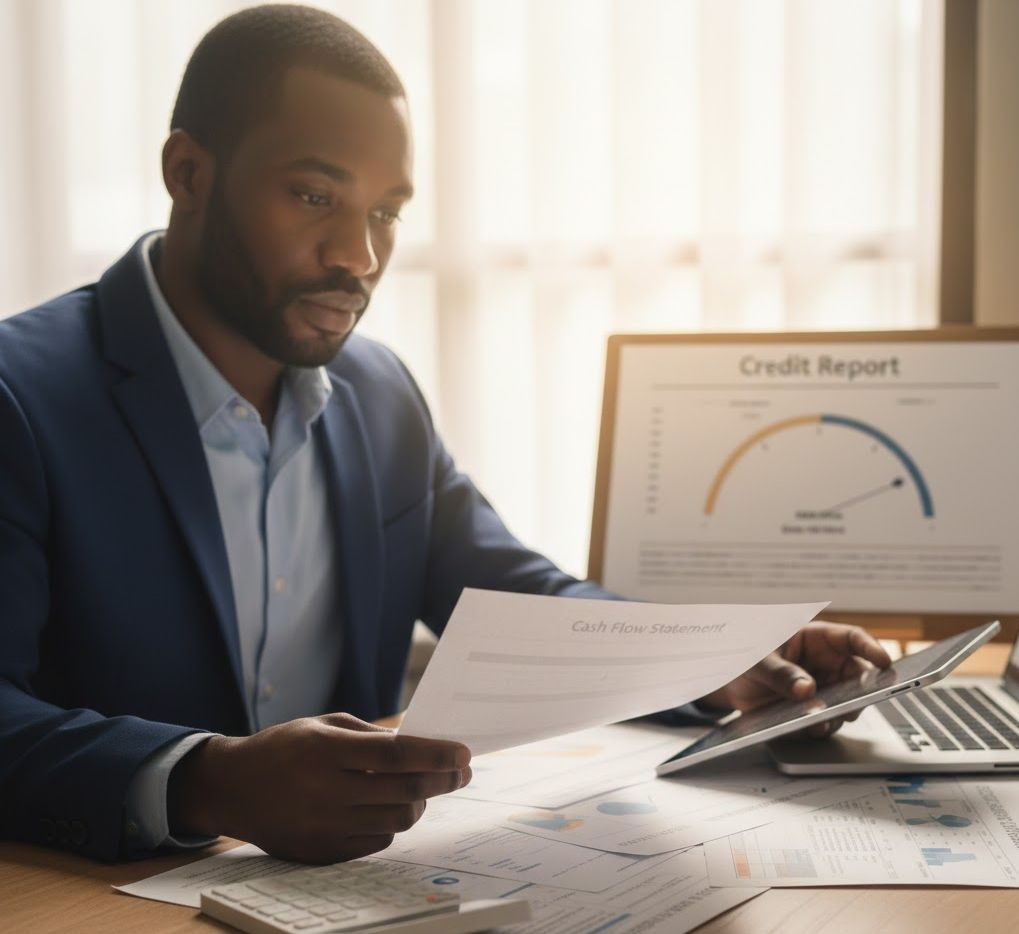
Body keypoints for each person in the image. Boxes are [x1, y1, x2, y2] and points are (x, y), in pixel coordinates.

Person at [0, 4, 890, 865]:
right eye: (314, 195)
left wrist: (716, 664)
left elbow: (518, 597)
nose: (360, 255)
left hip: (348, 896)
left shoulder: (378, 391)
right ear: (189, 173)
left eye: (386, 211)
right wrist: (206, 781)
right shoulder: (23, 397)